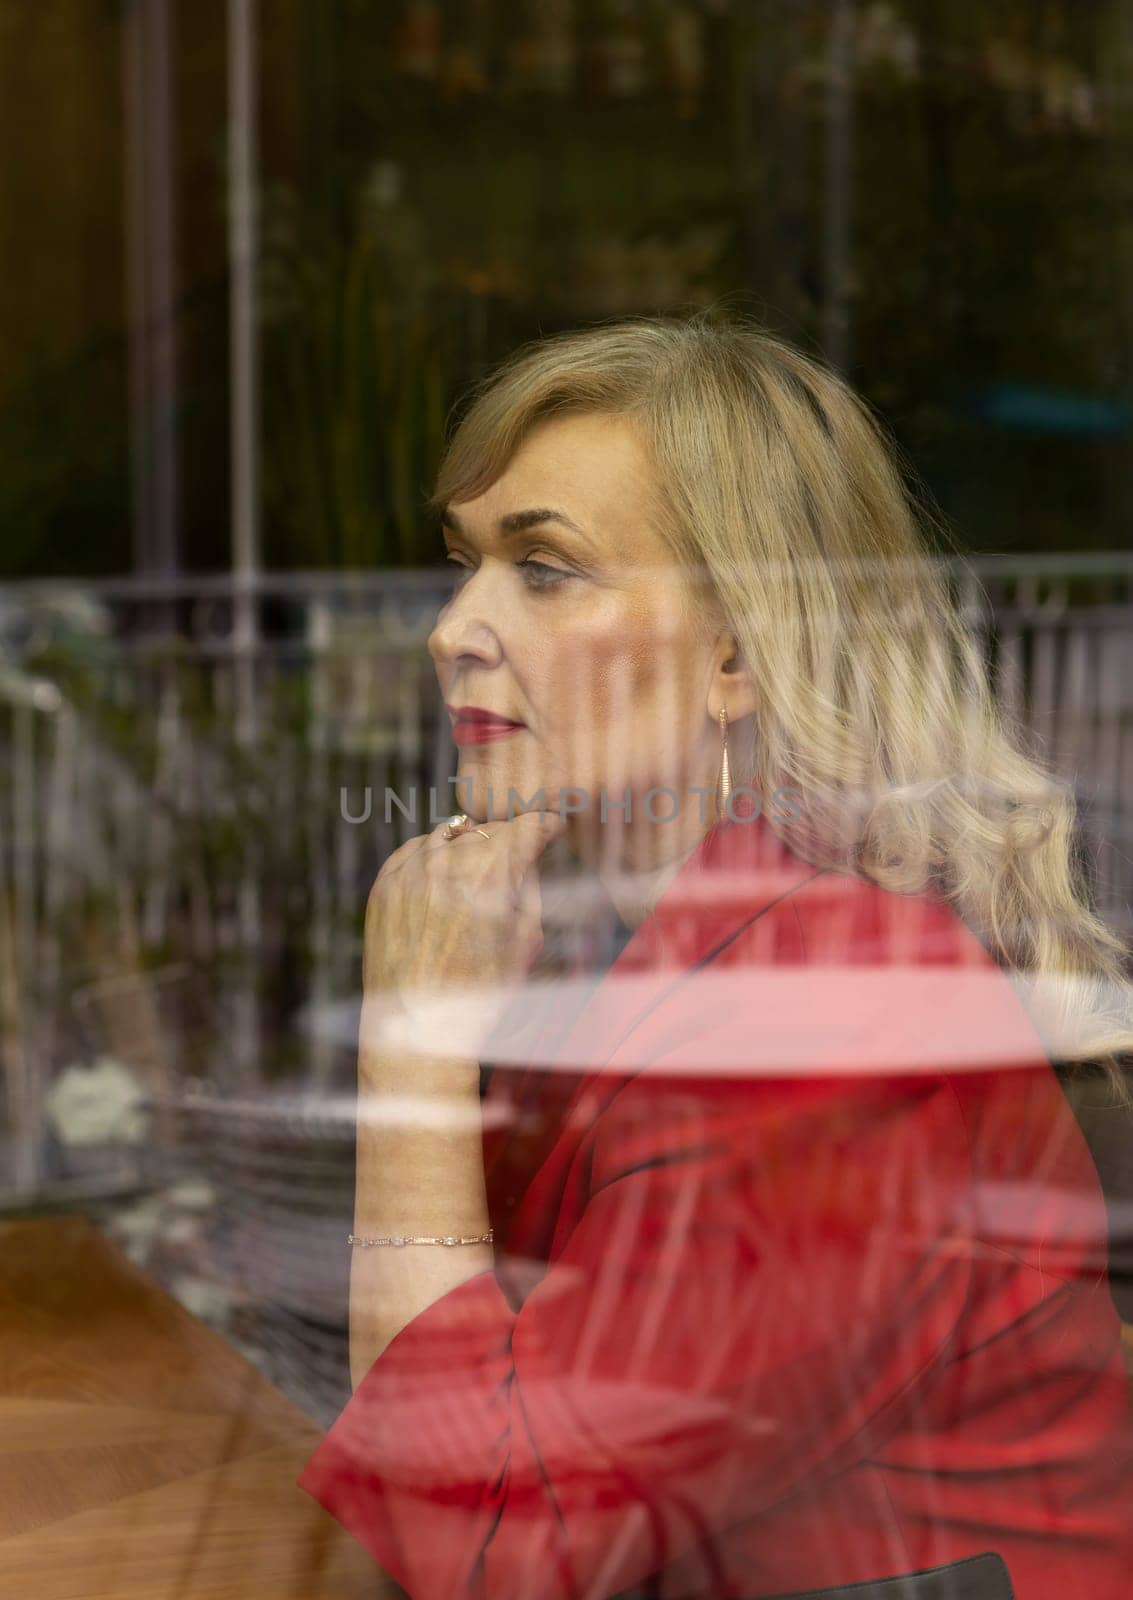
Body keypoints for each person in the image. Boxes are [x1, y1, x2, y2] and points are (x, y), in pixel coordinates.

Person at [297, 313, 1133, 1599]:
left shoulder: (836, 1006)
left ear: (736, 652)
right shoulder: (647, 947)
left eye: (544, 569)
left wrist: (411, 1044)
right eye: (463, 562)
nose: (452, 625)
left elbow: (485, 1544)